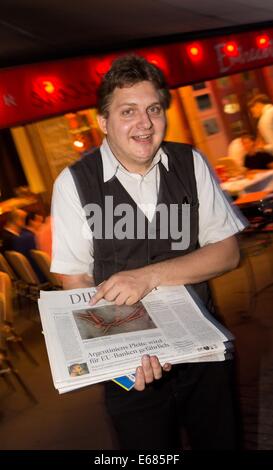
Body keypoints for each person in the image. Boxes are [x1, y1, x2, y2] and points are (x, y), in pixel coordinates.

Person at [51, 55, 247, 450]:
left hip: (203, 349)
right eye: (128, 112)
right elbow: (74, 279)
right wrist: (127, 355)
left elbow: (227, 252)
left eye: (153, 109)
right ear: (103, 123)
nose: (144, 123)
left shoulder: (190, 162)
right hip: (130, 368)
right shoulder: (73, 183)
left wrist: (150, 276)